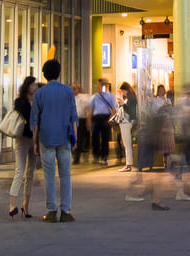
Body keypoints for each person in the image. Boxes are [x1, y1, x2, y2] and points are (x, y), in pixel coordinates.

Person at [31, 58, 78, 222]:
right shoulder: (68, 91)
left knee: (49, 176)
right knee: (66, 175)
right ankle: (66, 211)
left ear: (44, 75)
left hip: (46, 138)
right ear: (59, 73)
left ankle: (51, 211)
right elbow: (73, 117)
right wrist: (75, 140)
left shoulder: (39, 93)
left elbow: (35, 121)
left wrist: (35, 142)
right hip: (64, 138)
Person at [7, 75, 38, 219]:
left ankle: (26, 205)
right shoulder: (20, 101)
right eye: (33, 85)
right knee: (20, 171)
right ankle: (12, 204)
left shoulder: (37, 101)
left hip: (35, 139)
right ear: (28, 86)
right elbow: (29, 116)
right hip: (22, 139)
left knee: (30, 172)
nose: (35, 87)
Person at [89, 81, 118, 167]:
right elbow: (90, 109)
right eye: (97, 86)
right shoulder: (94, 97)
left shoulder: (109, 96)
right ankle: (96, 155)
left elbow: (113, 108)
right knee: (95, 138)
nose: (98, 88)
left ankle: (104, 157)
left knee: (105, 138)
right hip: (96, 118)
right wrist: (89, 120)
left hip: (106, 117)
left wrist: (110, 119)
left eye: (100, 86)